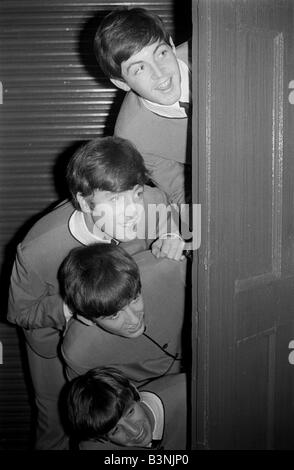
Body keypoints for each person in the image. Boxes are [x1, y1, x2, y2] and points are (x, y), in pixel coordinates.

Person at [7, 136, 185, 450]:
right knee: (57, 424)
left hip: (120, 314)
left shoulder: (150, 202)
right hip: (52, 336)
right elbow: (18, 312)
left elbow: (181, 215)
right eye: (115, 201)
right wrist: (71, 307)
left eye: (135, 194)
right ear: (85, 202)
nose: (132, 211)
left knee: (129, 405)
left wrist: (172, 232)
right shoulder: (38, 249)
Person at [94, 7, 192, 217]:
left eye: (161, 53)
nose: (160, 73)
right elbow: (180, 191)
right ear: (121, 83)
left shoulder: (213, 50)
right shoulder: (132, 136)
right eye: (139, 68)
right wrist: (191, 233)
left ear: (173, 46)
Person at [60, 243, 187, 383]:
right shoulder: (79, 353)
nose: (134, 320)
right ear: (87, 319)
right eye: (114, 315)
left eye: (134, 299)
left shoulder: (172, 270)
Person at [66, 367, 187, 450]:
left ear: (134, 391)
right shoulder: (94, 448)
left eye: (130, 412)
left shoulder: (189, 395)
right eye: (115, 430)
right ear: (100, 437)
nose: (134, 431)